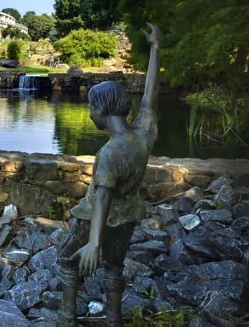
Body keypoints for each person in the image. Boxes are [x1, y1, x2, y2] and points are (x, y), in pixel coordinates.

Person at [57, 23, 162, 327]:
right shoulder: (142, 135)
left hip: (96, 220)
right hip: (128, 217)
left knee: (66, 259)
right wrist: (156, 49)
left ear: (102, 110)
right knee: (113, 268)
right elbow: (150, 97)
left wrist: (92, 243)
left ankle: (66, 316)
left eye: (90, 108)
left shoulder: (109, 154)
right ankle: (113, 318)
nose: (89, 113)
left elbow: (102, 197)